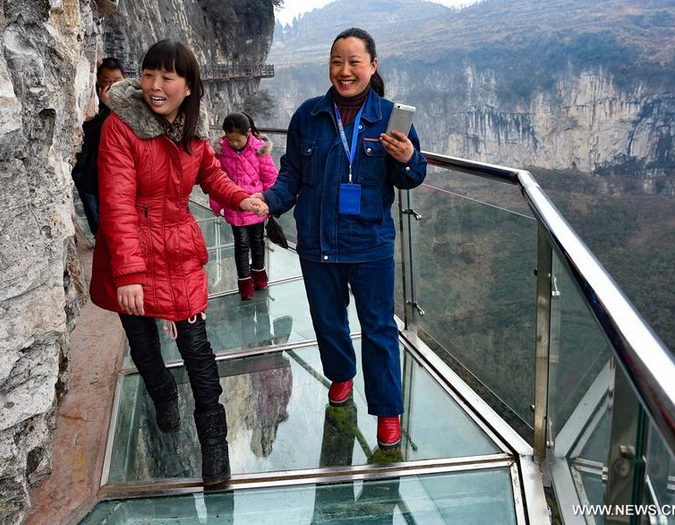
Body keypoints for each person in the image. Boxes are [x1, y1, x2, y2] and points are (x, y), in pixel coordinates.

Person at [89, 39, 266, 486]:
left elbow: (212, 175)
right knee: (143, 342)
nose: (155, 85)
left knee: (197, 349)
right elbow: (116, 202)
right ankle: (162, 392)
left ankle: (213, 444)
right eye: (149, 74)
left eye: (167, 77)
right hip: (129, 248)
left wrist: (242, 197)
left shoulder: (192, 131)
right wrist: (128, 272)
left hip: (179, 249)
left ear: (188, 86)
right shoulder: (120, 127)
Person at [255, 27, 427, 449]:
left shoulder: (389, 118)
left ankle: (388, 412)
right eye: (337, 61)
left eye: (354, 62)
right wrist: (268, 202)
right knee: (328, 322)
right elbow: (291, 174)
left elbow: (413, 177)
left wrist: (408, 159)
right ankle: (342, 377)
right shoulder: (308, 115)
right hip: (317, 243)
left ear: (372, 66)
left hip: (369, 244)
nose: (345, 70)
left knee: (379, 328)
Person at [209, 112, 279, 300]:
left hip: (256, 205)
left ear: (248, 133)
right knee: (241, 244)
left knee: (257, 241)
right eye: (230, 140)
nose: (234, 144)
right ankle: (245, 282)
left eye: (238, 140)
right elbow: (216, 180)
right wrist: (216, 204)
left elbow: (270, 178)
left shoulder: (259, 150)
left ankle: (259, 274)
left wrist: (268, 200)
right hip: (234, 206)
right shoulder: (221, 152)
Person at [71, 57, 126, 234]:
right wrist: (105, 105)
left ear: (124, 79)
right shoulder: (91, 102)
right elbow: (90, 130)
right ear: (98, 82)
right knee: (94, 214)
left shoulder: (131, 103)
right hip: (87, 169)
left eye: (117, 81)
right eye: (106, 82)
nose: (112, 86)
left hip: (114, 169)